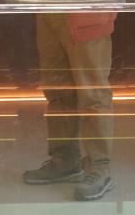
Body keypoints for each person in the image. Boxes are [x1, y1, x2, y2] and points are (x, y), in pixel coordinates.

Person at [22, 12, 116, 201]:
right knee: (58, 91)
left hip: (86, 9)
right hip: (49, 7)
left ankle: (100, 167)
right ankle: (65, 160)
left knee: (93, 93)